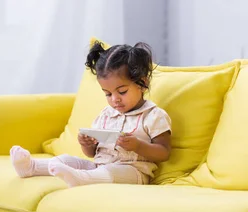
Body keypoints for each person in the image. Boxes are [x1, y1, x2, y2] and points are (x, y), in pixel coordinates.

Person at [11, 41, 172, 186]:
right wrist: (87, 145)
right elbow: (93, 154)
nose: (114, 99)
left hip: (133, 172)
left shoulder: (153, 116)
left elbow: (164, 152)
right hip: (99, 166)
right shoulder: (106, 115)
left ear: (143, 83)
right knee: (68, 160)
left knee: (108, 172)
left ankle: (82, 179)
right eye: (108, 94)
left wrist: (138, 146)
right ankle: (32, 167)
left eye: (122, 92)